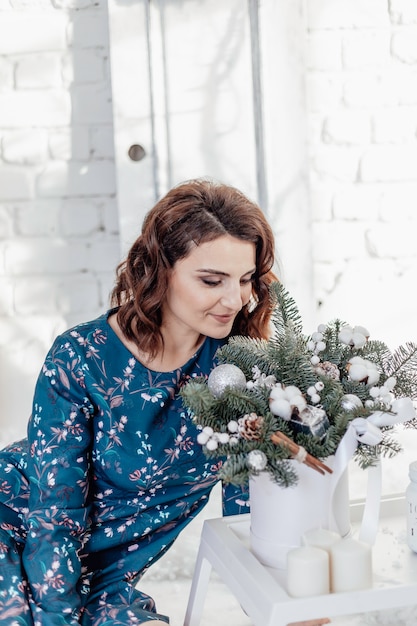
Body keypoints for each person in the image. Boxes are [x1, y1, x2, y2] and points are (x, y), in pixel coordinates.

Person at [0, 179, 277, 625]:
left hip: (107, 581)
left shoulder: (239, 369)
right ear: (160, 269)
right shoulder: (81, 357)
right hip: (21, 533)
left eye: (246, 280)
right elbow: (55, 518)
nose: (235, 299)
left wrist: (281, 606)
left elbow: (249, 515)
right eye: (212, 280)